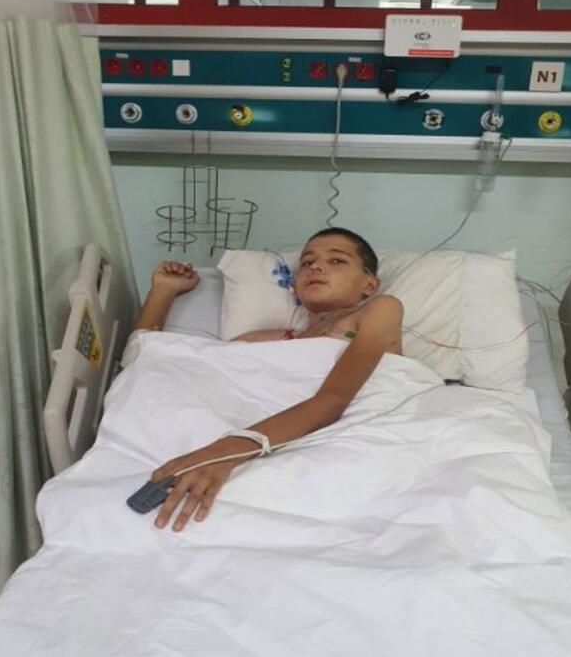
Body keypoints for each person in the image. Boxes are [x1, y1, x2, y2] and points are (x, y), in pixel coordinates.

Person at [132, 228, 403, 532]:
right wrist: (164, 291)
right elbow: (148, 359)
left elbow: (334, 400)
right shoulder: (268, 341)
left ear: (369, 284)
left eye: (336, 261)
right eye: (307, 262)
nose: (315, 267)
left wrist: (221, 454)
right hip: (253, 437)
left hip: (336, 443)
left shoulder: (382, 308)